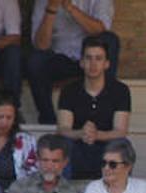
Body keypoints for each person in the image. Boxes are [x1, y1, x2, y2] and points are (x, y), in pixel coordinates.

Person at [26, 0, 115, 126]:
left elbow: (100, 30)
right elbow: (41, 45)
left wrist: (70, 8)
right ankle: (48, 120)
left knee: (111, 40)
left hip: (90, 58)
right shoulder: (42, 2)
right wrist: (51, 9)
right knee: (35, 61)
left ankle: (105, 114)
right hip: (60, 57)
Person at [55, 34, 129, 181]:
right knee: (62, 144)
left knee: (122, 146)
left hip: (106, 145)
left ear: (107, 63)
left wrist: (97, 135)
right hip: (77, 145)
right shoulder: (69, 90)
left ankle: (116, 192)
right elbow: (63, 128)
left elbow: (121, 130)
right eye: (88, 58)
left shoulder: (120, 90)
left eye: (98, 58)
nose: (93, 64)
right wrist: (82, 133)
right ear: (81, 62)